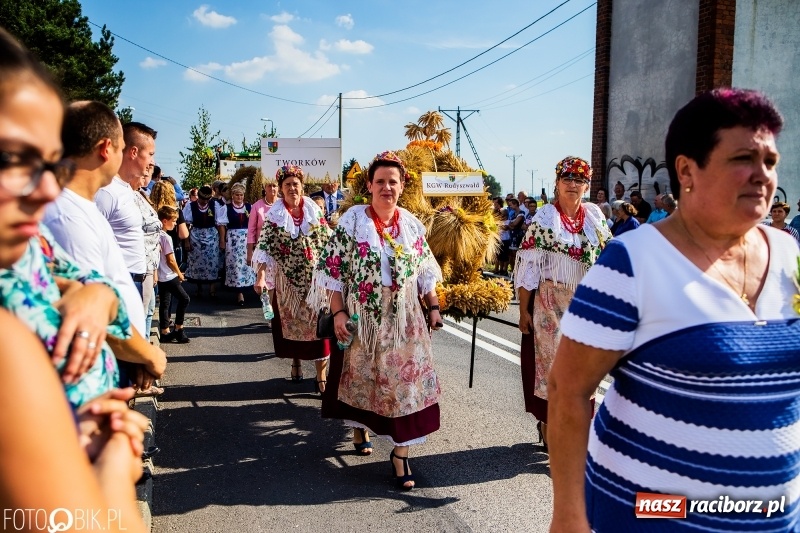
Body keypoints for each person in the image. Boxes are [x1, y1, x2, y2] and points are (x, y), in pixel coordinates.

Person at [548, 88, 800, 532]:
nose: (762, 175)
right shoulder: (632, 261)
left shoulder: (789, 253)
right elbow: (568, 391)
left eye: (771, 162)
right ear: (687, 169)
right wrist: (569, 515)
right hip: (658, 514)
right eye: (743, 159)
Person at [308, 151, 444, 491]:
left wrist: (434, 306)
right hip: (365, 316)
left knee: (407, 385)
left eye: (392, 182)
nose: (386, 188)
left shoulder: (411, 225)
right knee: (364, 380)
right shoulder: (353, 222)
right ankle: (359, 426)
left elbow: (425, 271)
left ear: (402, 187)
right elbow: (332, 274)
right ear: (369, 185)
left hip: (406, 318)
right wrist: (338, 312)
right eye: (380, 181)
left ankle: (401, 454)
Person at [513, 156, 611, 451]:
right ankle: (551, 424)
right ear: (556, 183)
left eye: (579, 180)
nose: (573, 185)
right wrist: (523, 311)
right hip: (550, 304)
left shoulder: (594, 216)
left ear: (586, 185)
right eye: (567, 179)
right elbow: (528, 267)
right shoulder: (545, 218)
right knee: (554, 369)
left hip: (585, 306)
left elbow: (608, 262)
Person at [252, 165, 331, 391]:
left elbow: (328, 243)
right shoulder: (275, 216)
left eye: (295, 184)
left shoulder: (314, 211)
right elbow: (264, 249)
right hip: (286, 284)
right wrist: (261, 277)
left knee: (319, 330)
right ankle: (296, 361)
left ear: (302, 187)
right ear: (280, 189)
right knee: (292, 329)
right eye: (287, 185)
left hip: (315, 283)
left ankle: (320, 373)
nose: (292, 188)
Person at [183, 185, 225, 298]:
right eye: (202, 199)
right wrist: (186, 242)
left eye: (207, 200)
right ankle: (198, 287)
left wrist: (222, 240)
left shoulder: (214, 205)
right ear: (199, 198)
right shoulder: (190, 206)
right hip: (196, 236)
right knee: (197, 262)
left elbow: (220, 224)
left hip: (211, 236)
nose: (204, 202)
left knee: (212, 262)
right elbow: (186, 225)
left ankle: (212, 288)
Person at [156, 206, 190, 343]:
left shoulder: (156, 234)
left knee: (165, 303)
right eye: (174, 221)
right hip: (168, 275)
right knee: (184, 299)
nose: (176, 223)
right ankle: (178, 328)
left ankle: (165, 331)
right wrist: (179, 274)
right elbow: (170, 260)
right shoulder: (166, 238)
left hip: (160, 275)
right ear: (165, 221)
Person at [220, 182, 255, 305]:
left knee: (247, 263)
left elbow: (254, 224)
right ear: (232, 195)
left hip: (246, 239)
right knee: (235, 264)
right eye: (237, 195)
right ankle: (239, 292)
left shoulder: (249, 207)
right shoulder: (226, 208)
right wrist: (223, 240)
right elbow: (222, 226)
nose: (239, 197)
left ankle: (248, 287)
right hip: (233, 239)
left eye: (241, 195)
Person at [151, 180, 189, 270]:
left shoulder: (150, 209)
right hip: (172, 249)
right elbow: (183, 234)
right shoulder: (175, 211)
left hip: (153, 248)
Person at [246, 179, 279, 264]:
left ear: (278, 188)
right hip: (262, 248)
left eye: (274, 186)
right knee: (262, 276)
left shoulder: (283, 204)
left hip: (280, 248)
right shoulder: (256, 206)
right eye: (269, 185)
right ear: (264, 188)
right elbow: (251, 231)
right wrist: (249, 253)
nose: (272, 188)